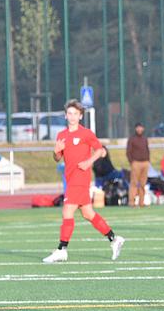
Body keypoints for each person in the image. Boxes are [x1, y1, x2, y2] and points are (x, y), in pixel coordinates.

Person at [43, 100, 126, 264]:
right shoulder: (62, 135)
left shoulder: (86, 133)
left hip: (80, 178)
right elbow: (57, 158)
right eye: (70, 113)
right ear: (66, 115)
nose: (72, 117)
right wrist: (55, 151)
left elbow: (101, 151)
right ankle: (114, 239)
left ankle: (62, 249)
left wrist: (89, 162)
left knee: (67, 212)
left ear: (80, 116)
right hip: (71, 178)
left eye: (75, 114)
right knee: (88, 214)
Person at [126, 122, 150, 208]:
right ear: (135, 129)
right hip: (136, 163)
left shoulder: (144, 139)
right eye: (138, 128)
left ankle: (141, 202)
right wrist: (131, 162)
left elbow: (147, 150)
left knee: (143, 183)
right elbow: (128, 152)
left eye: (141, 128)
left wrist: (148, 160)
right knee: (134, 183)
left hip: (145, 163)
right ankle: (132, 202)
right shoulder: (132, 139)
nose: (140, 129)